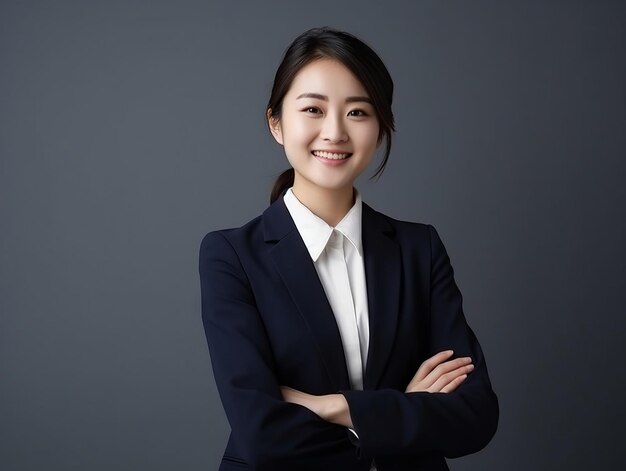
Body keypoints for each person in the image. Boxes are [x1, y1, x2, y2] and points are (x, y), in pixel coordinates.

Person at [199, 27, 498, 471]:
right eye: (313, 110)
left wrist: (338, 408)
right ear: (276, 123)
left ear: (380, 128)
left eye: (357, 111)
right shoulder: (232, 256)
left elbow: (476, 416)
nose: (335, 131)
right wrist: (398, 410)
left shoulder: (420, 249)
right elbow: (261, 433)